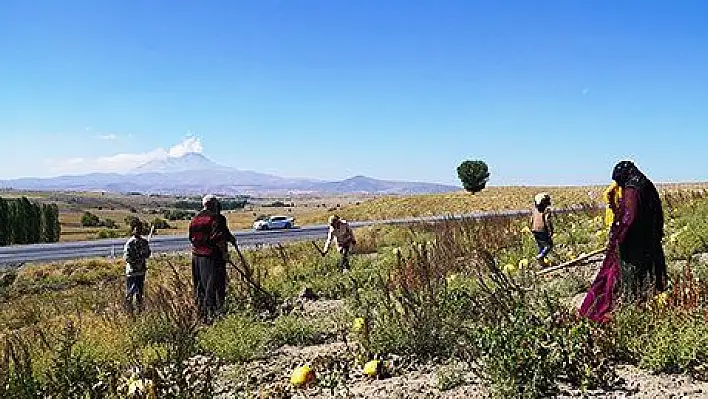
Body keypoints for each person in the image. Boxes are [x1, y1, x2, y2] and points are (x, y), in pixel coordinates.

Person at [580, 161, 667, 323]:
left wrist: (618, 240)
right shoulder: (646, 185)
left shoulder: (632, 190)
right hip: (649, 243)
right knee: (648, 279)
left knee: (614, 279)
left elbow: (630, 217)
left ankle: (607, 313)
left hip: (634, 247)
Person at [189, 195, 236, 322]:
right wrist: (224, 253)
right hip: (212, 258)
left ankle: (202, 314)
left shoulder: (195, 219)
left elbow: (192, 238)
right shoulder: (216, 218)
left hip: (196, 258)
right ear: (214, 205)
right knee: (214, 286)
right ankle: (215, 315)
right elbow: (219, 238)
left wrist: (231, 238)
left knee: (200, 287)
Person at [123, 221, 151, 314]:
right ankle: (129, 312)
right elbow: (127, 257)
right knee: (130, 293)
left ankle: (140, 311)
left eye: (140, 229)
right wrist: (136, 263)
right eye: (136, 229)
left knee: (140, 293)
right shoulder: (129, 243)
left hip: (141, 272)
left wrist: (145, 252)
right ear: (133, 230)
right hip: (131, 272)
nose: (138, 231)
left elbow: (148, 254)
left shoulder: (144, 242)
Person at [531, 192, 554, 267]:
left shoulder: (535, 210)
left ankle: (541, 262)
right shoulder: (546, 210)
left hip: (535, 230)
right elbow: (547, 221)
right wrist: (551, 230)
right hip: (542, 230)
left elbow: (531, 220)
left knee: (540, 246)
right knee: (549, 245)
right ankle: (541, 256)